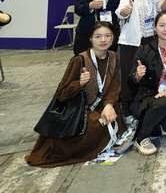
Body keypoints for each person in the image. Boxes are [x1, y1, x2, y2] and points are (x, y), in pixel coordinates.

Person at [26, 22, 124, 167]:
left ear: (113, 38)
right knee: (95, 125)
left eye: (107, 36)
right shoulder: (80, 60)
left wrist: (108, 104)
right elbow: (62, 94)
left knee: (114, 116)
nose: (103, 40)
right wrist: (79, 83)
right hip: (79, 109)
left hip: (102, 104)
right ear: (91, 39)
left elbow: (114, 86)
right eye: (98, 36)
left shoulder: (114, 57)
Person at [129, 11, 166, 155]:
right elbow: (130, 81)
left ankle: (153, 123)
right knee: (162, 103)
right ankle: (141, 138)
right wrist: (137, 76)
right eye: (162, 25)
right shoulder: (144, 49)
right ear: (155, 28)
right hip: (148, 97)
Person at [116, 0, 162, 119]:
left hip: (152, 40)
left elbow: (162, 8)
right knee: (129, 75)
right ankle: (126, 110)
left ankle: (146, 108)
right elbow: (122, 9)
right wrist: (125, 10)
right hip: (131, 40)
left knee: (150, 75)